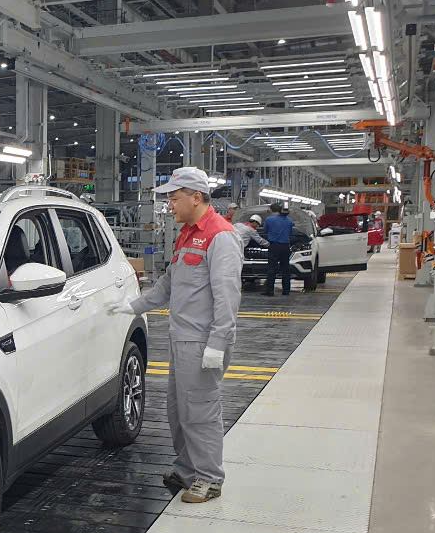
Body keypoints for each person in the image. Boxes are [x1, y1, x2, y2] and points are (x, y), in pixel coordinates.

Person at [108, 167, 242, 504]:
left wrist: (217, 343)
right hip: (181, 338)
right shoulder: (186, 234)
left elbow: (228, 297)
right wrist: (134, 306)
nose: (170, 204)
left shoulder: (220, 236)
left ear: (196, 197)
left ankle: (210, 478)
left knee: (200, 411)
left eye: (175, 197)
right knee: (178, 410)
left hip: (202, 342)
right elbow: (169, 282)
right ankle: (187, 469)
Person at [263, 202, 295, 296]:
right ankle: (286, 291)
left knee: (271, 268)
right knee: (285, 269)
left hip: (274, 246)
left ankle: (270, 291)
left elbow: (265, 231)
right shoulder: (289, 221)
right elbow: (290, 233)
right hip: (285, 246)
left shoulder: (269, 219)